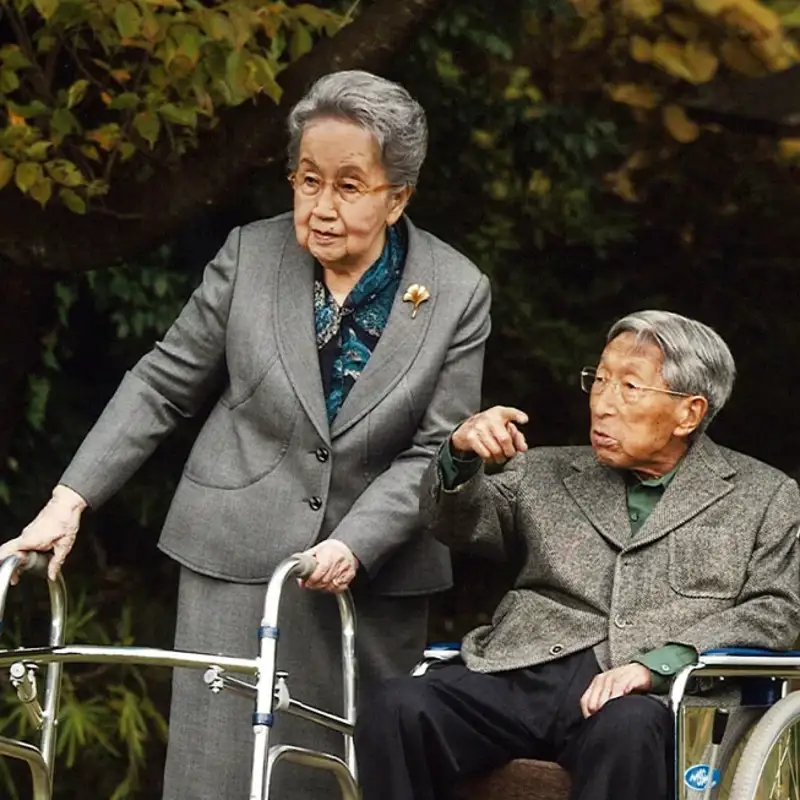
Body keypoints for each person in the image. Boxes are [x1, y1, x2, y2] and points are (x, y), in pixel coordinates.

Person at [0, 70, 491, 799]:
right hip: (233, 558)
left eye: (349, 187)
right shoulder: (249, 256)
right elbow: (163, 382)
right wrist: (69, 499)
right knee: (218, 776)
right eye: (307, 180)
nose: (322, 207)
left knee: (343, 776)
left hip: (373, 574)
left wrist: (354, 544)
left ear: (399, 196)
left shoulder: (457, 289)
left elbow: (436, 446)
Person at [355, 310, 800, 800]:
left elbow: (776, 610)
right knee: (397, 705)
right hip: (521, 672)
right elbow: (456, 524)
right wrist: (461, 453)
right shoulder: (544, 471)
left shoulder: (765, 495)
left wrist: (660, 665)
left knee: (629, 728)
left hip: (647, 692)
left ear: (688, 413)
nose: (603, 404)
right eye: (600, 380)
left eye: (630, 387)